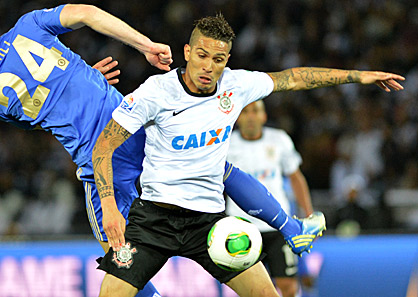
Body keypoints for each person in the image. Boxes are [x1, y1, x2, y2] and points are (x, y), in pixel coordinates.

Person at [0, 5, 320, 297]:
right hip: (135, 130)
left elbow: (43, 112)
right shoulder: (30, 25)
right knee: (213, 166)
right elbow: (87, 13)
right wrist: (142, 46)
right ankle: (291, 227)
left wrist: (76, 81)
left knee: (119, 260)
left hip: (100, 160)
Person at [91, 13, 404, 297]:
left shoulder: (236, 86)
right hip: (153, 222)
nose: (208, 66)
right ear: (187, 53)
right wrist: (109, 207)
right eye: (201, 55)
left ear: (226, 61)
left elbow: (293, 78)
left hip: (209, 225)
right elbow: (103, 147)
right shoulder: (155, 92)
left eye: (217, 59)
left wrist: (358, 76)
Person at [225, 100, 313, 297]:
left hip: (277, 227)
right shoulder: (226, 144)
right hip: (241, 228)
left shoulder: (279, 140)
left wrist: (307, 212)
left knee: (288, 286)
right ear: (237, 117)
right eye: (245, 112)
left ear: (264, 116)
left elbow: (295, 177)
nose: (250, 117)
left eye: (255, 111)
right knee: (250, 290)